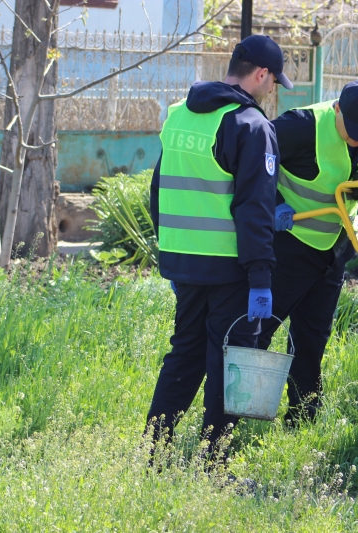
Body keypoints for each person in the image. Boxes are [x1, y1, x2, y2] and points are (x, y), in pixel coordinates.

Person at [145, 35, 293, 462]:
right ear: (261, 74)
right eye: (273, 81)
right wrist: (262, 277)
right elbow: (254, 210)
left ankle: (154, 453)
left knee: (185, 354)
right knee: (230, 364)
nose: (272, 89)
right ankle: (215, 465)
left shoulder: (178, 116)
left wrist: (171, 256)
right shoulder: (250, 125)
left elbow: (159, 191)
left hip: (184, 262)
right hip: (231, 267)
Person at [255, 80, 358, 424]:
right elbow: (252, 157)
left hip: (333, 249)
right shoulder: (300, 126)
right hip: (288, 245)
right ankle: (236, 413)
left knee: (312, 337)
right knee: (258, 329)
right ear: (337, 109)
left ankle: (303, 417)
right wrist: (275, 203)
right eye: (353, 129)